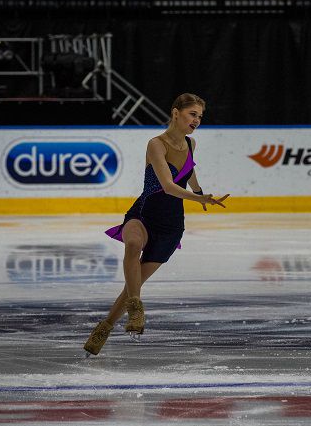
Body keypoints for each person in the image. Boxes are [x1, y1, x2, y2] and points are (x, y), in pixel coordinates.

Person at [84, 93, 229, 356]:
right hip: (144, 211)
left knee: (134, 281)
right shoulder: (156, 144)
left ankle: (104, 328)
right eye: (192, 114)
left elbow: (189, 170)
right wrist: (197, 198)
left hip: (171, 226)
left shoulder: (191, 143)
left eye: (200, 116)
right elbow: (168, 186)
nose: (196, 120)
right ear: (176, 113)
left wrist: (200, 191)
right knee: (132, 245)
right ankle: (136, 307)